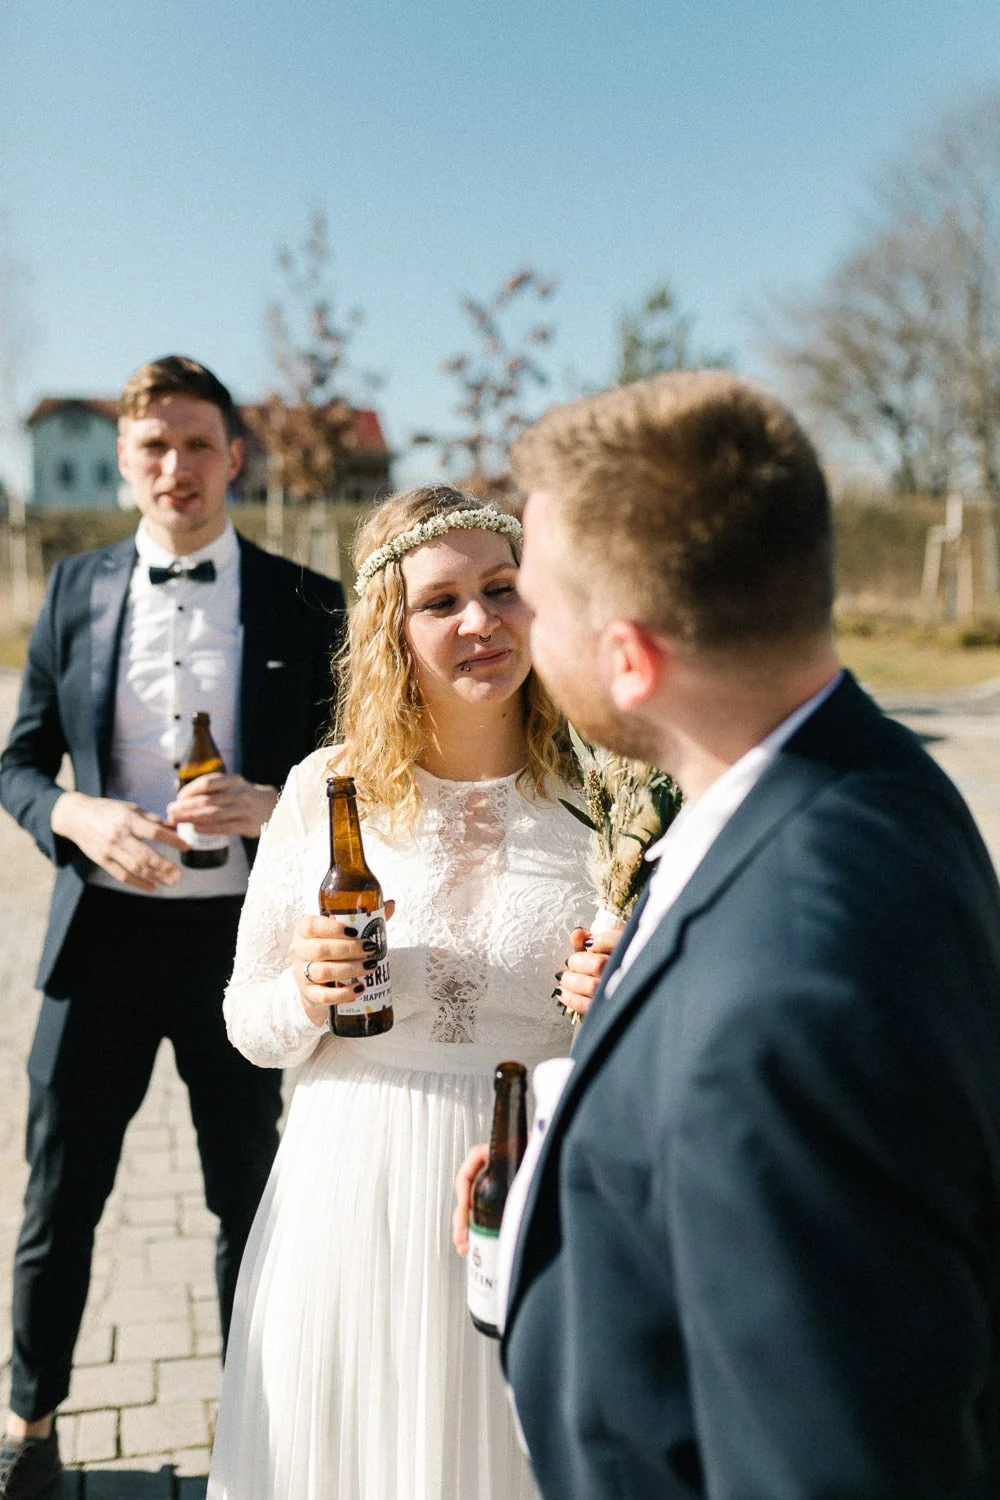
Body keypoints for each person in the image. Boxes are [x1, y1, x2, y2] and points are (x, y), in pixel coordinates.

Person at [456, 370, 1000, 1498]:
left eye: (536, 605)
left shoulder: (782, 994)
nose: (518, 629)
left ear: (629, 659)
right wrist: (571, 1170)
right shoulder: (872, 773)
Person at [206, 485, 599, 1500]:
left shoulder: (602, 801)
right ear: (391, 627)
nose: (480, 622)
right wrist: (305, 987)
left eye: (502, 589)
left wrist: (620, 993)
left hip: (526, 1192)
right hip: (350, 1191)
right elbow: (250, 1027)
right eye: (441, 601)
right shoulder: (326, 790)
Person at [0, 356, 345, 1498]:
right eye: (153, 446)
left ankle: (257, 1430)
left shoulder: (308, 599)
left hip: (242, 954)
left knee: (249, 1196)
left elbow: (363, 775)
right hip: (97, 946)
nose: (176, 467)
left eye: (197, 443)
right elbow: (17, 766)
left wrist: (276, 803)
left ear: (234, 456)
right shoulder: (72, 591)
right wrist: (78, 814)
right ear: (124, 462)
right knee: (61, 1195)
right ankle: (32, 1422)